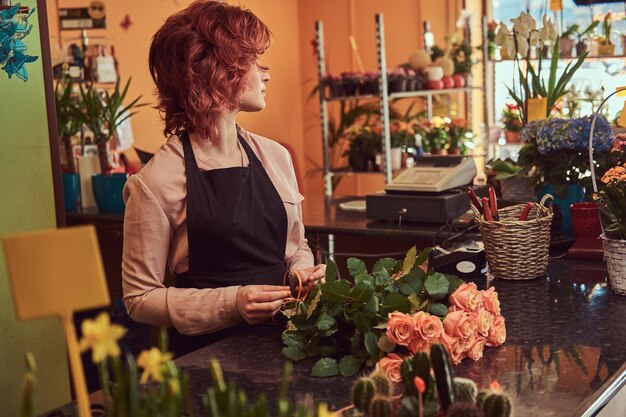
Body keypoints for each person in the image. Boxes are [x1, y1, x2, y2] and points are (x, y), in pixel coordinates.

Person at [121, 0, 325, 356]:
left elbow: (296, 248)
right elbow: (139, 298)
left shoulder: (276, 157)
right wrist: (232, 303)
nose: (266, 74)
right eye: (253, 62)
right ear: (219, 72)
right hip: (207, 357)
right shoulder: (154, 183)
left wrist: (301, 273)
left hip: (290, 342)